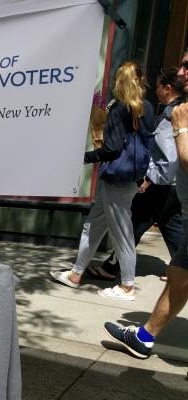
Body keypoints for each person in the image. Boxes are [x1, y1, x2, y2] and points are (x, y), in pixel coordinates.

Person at [104, 50, 188, 360]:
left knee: (134, 226)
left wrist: (180, 129)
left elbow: (174, 159)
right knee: (179, 272)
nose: (181, 72)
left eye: (187, 66)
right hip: (181, 202)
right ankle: (143, 336)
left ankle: (123, 282)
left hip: (164, 189)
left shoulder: (176, 114)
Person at [49, 61, 155, 301]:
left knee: (121, 232)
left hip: (116, 178)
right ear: (139, 81)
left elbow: (112, 149)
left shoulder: (119, 108)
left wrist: (84, 157)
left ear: (120, 81)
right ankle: (76, 273)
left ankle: (127, 286)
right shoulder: (146, 107)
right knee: (94, 224)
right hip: (130, 177)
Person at [92, 68, 186, 281]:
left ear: (168, 89)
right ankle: (183, 268)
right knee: (172, 225)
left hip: (161, 183)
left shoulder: (171, 114)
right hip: (173, 184)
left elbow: (169, 156)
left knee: (133, 223)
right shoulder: (181, 110)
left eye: (159, 85)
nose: (155, 89)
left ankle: (112, 269)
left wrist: (150, 178)